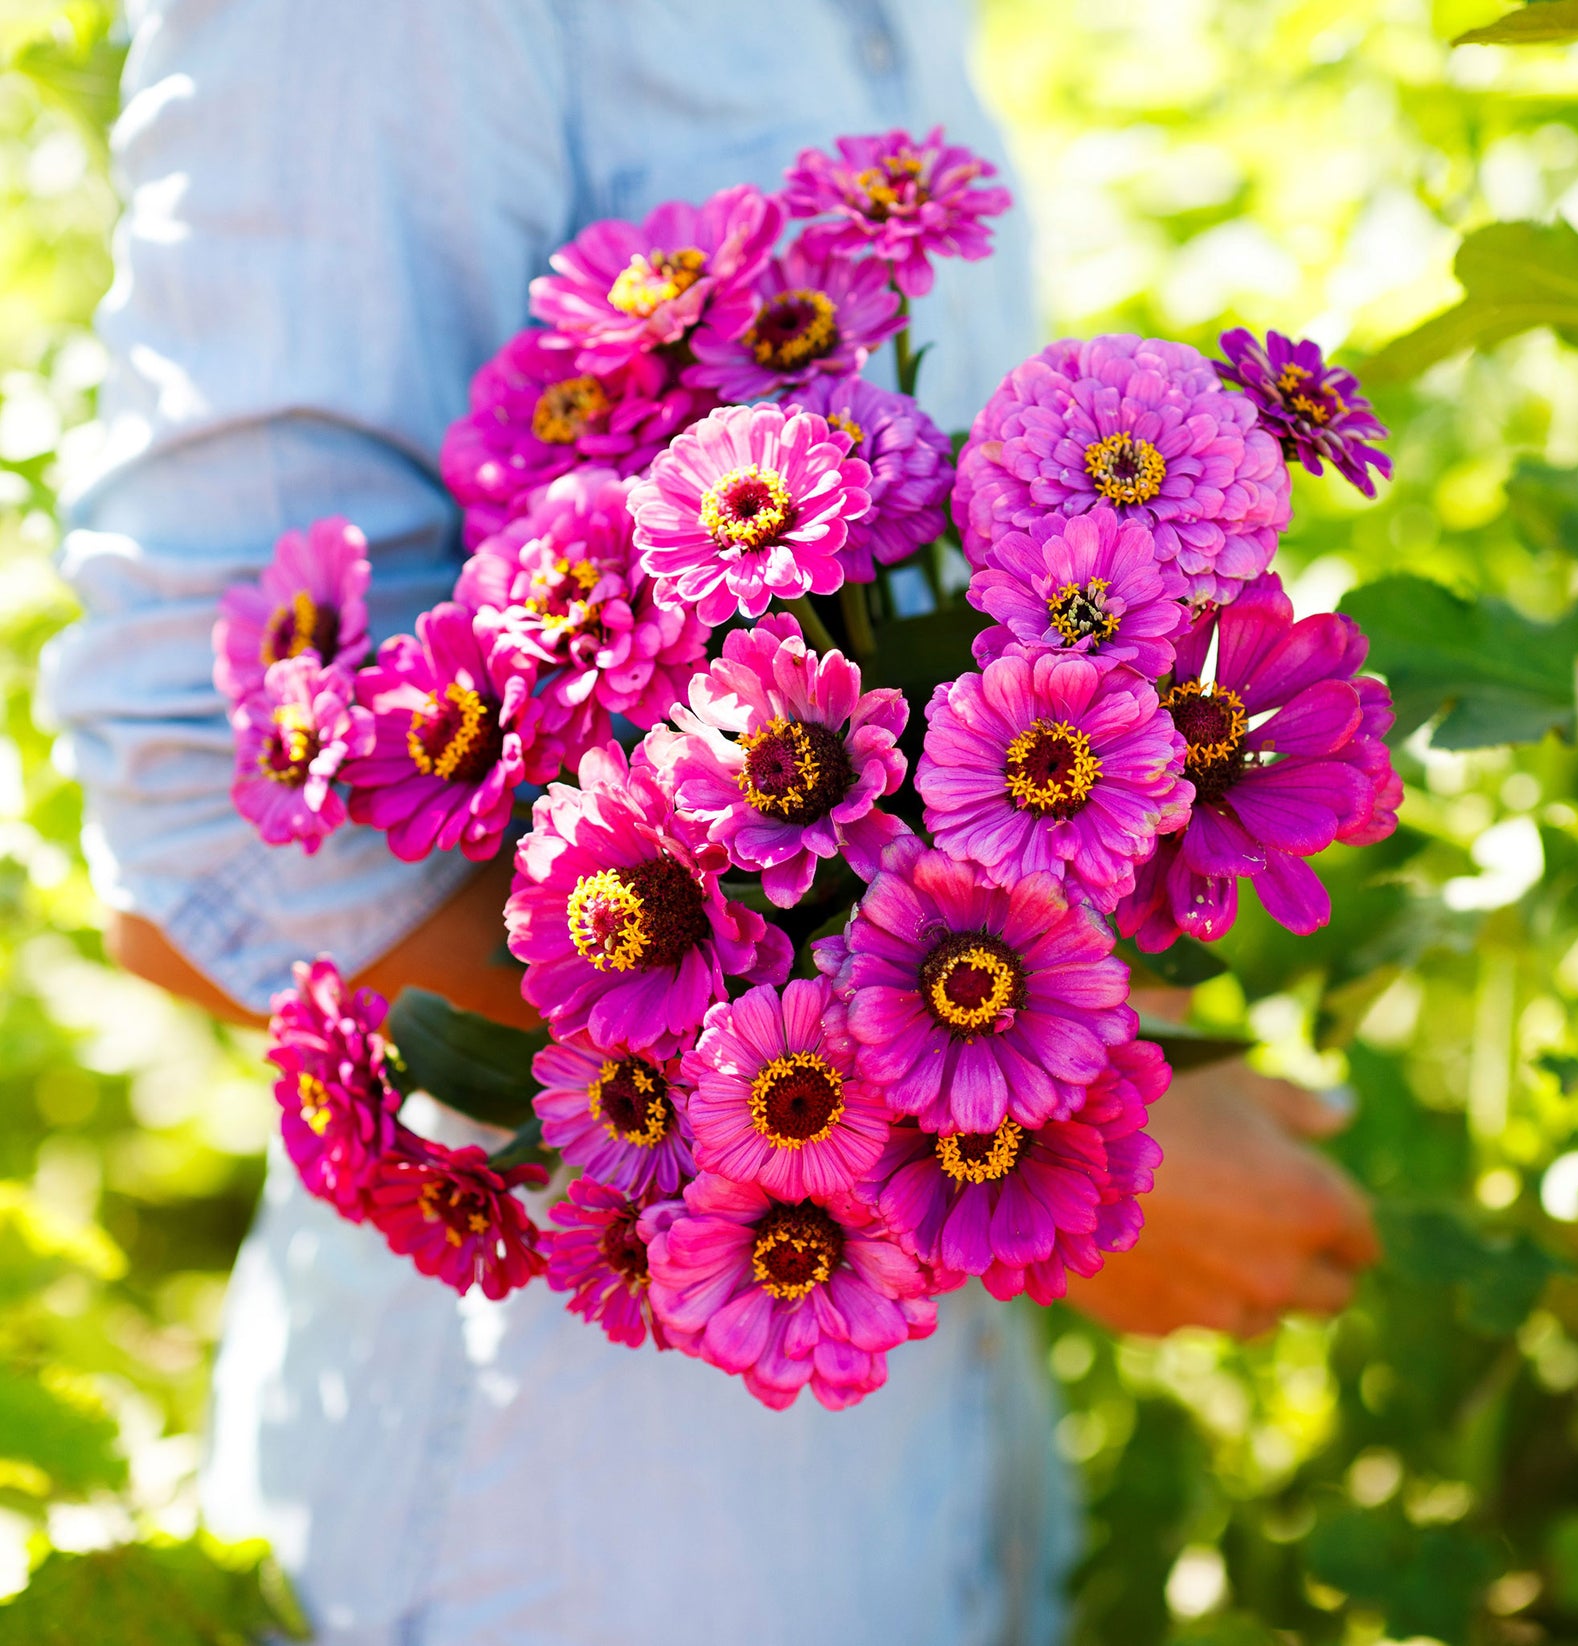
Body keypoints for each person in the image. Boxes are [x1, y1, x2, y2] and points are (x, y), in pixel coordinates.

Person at [42, 2, 1380, 1640]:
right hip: (587, 1524)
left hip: (917, 1452)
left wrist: (1072, 998)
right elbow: (196, 807)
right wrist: (1037, 1138)